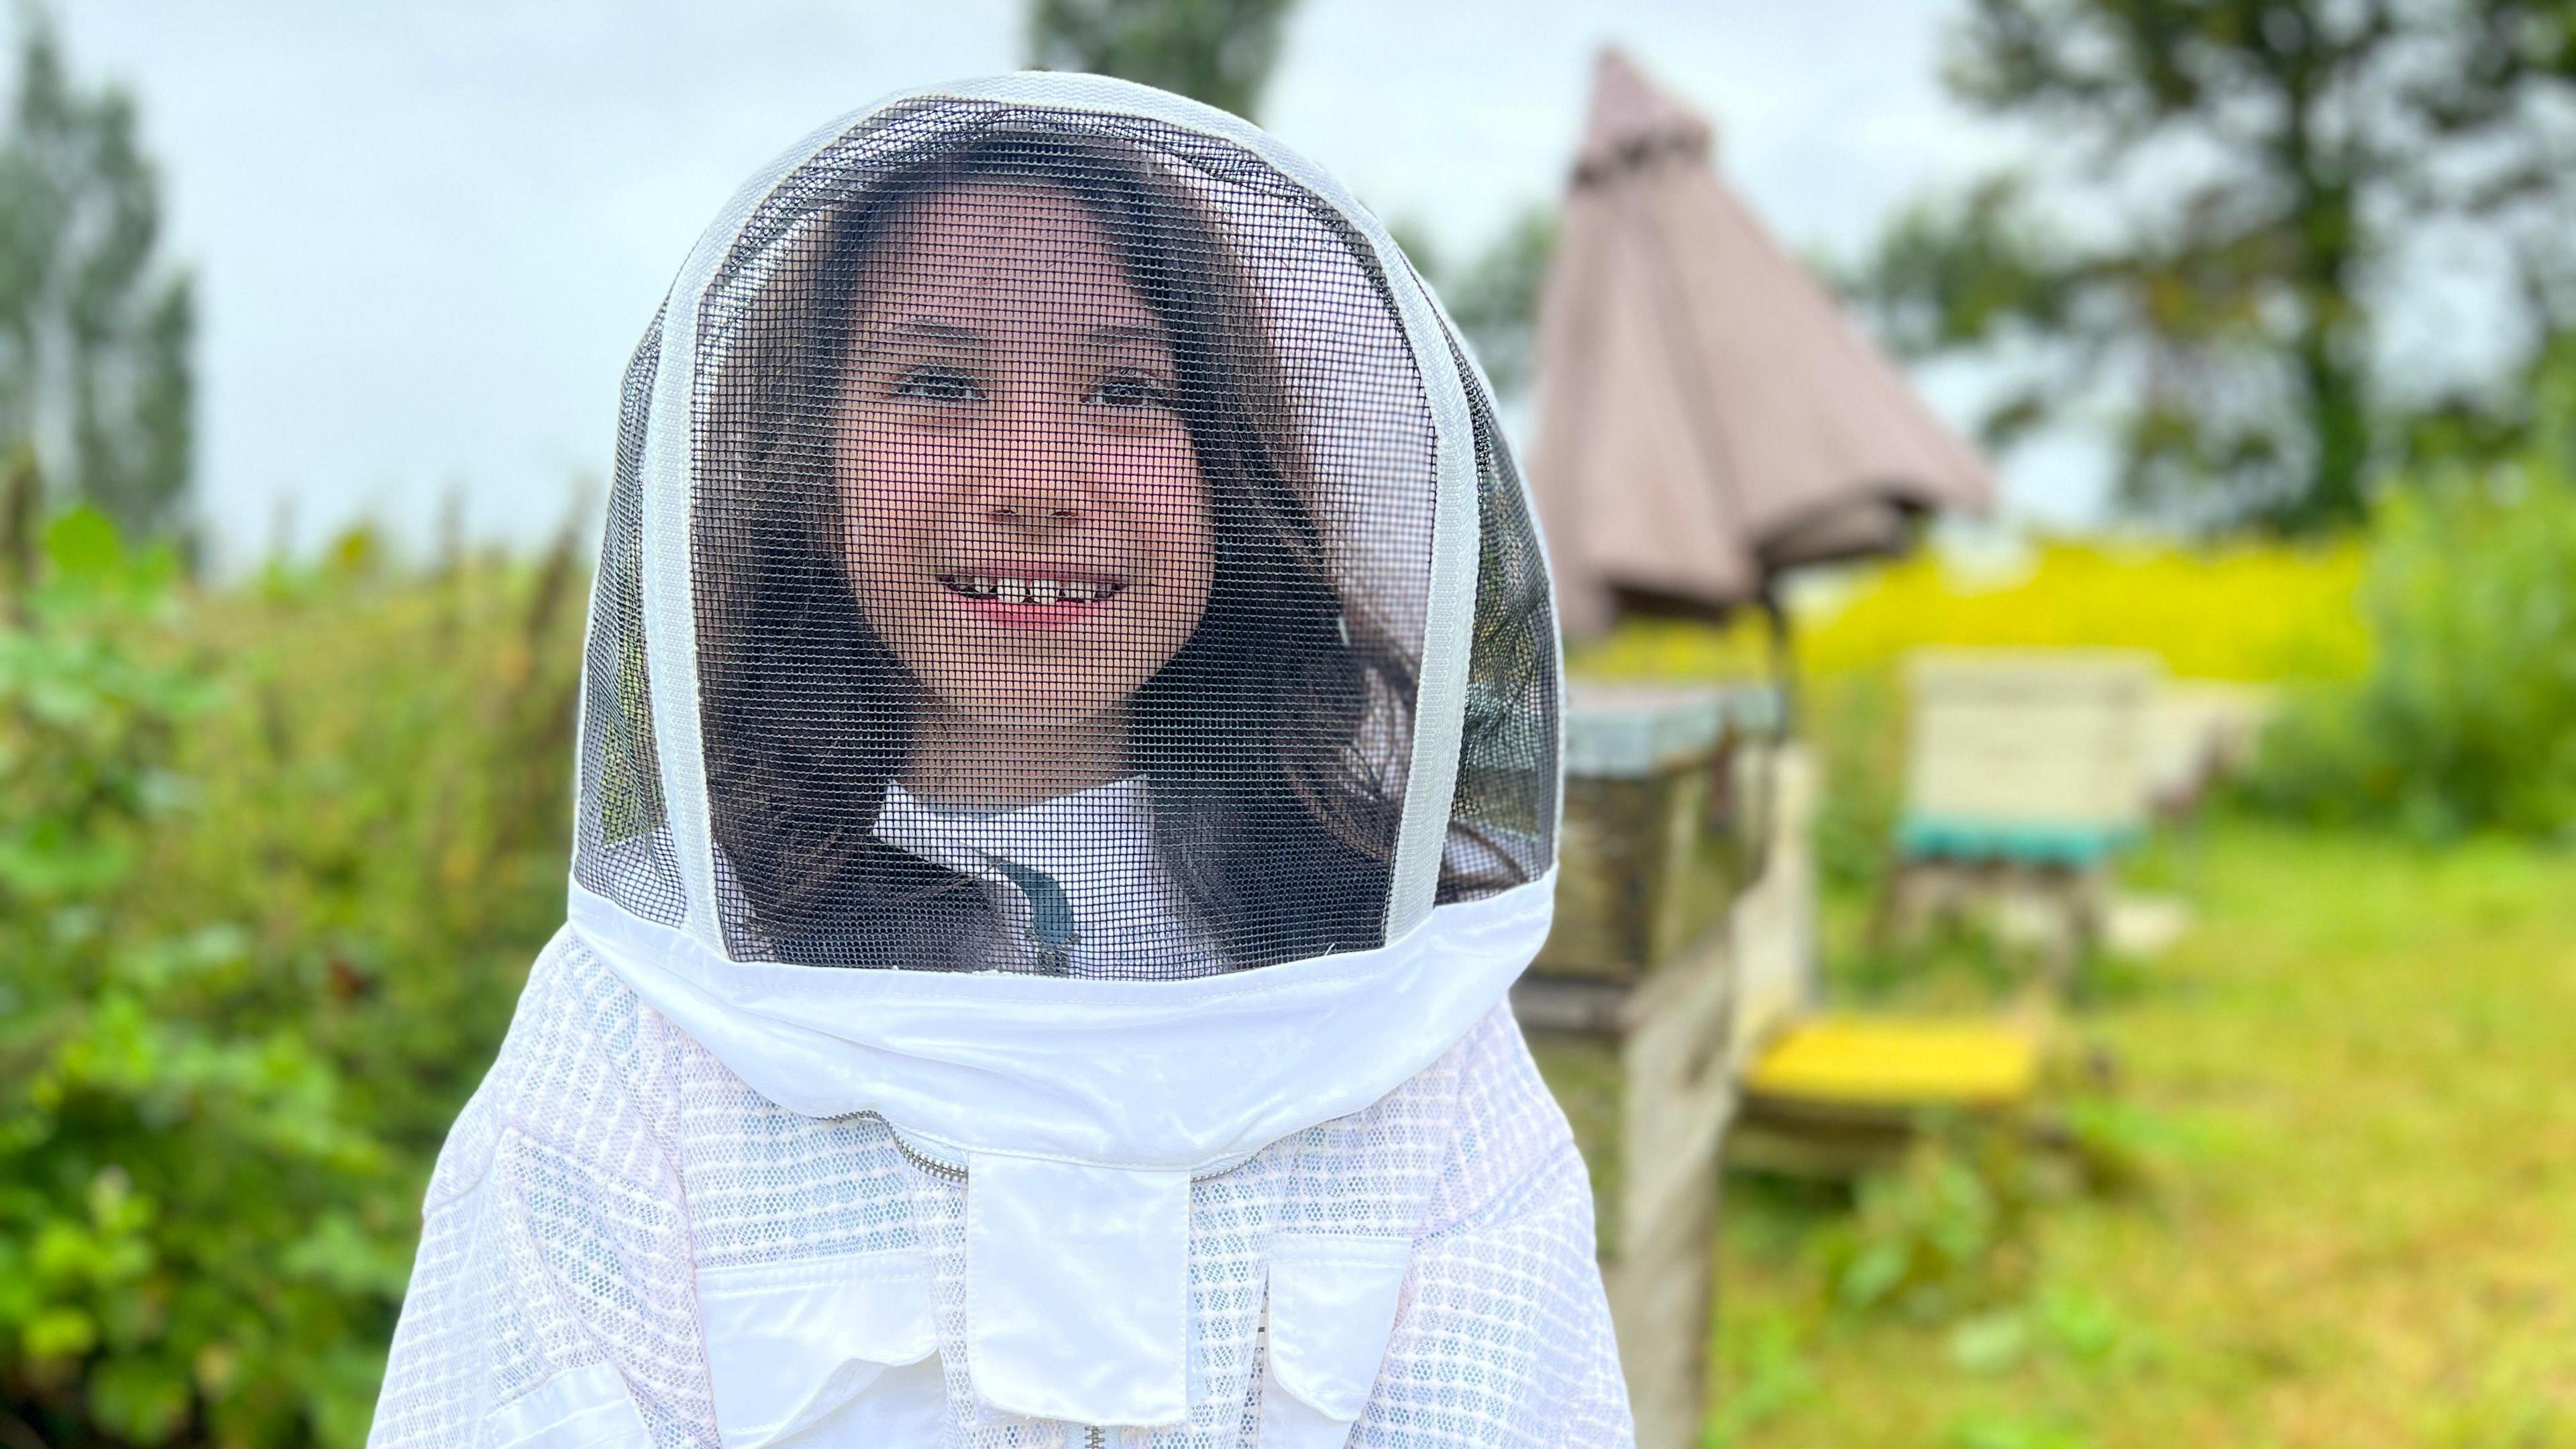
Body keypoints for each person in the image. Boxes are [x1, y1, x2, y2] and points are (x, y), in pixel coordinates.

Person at [370, 74, 1629, 1449]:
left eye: (1129, 391)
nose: (1038, 476)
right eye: (939, 384)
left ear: (1230, 473)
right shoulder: (651, 1016)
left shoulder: (1403, 997)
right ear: (814, 474)